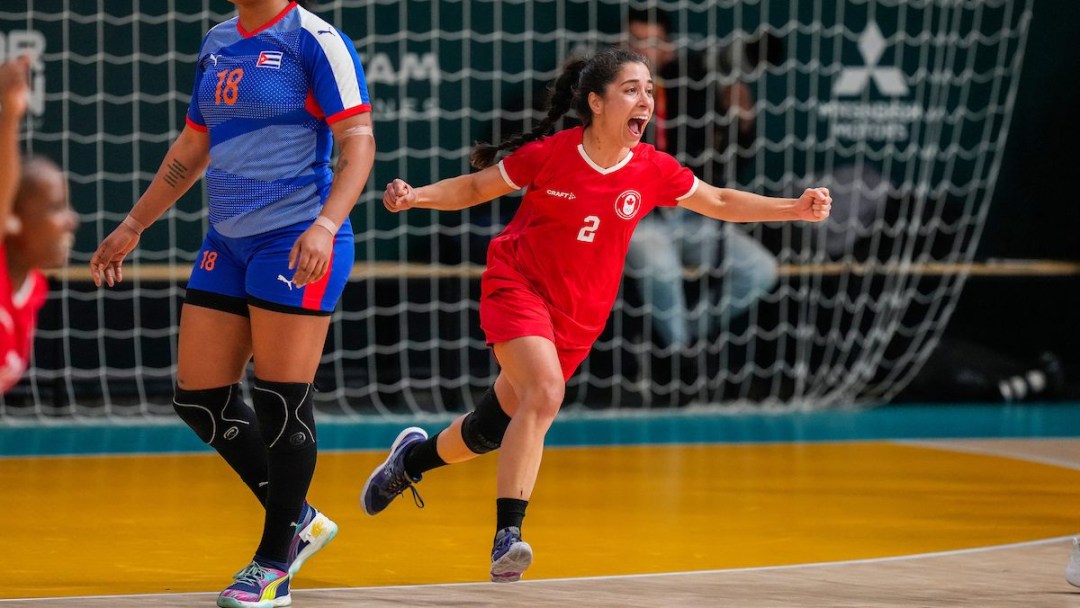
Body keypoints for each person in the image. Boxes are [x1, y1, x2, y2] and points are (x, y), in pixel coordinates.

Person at [362, 47, 830, 583]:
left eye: (650, 90)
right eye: (632, 89)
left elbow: (719, 201)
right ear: (596, 101)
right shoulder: (551, 154)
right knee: (545, 393)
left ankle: (410, 463)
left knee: (490, 429)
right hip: (518, 287)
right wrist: (415, 196)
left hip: (579, 318)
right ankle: (506, 538)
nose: (646, 101)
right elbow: (473, 187)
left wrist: (792, 207)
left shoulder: (651, 168)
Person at [88, 2, 374, 606]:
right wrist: (135, 224)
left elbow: (358, 139)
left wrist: (325, 224)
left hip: (296, 234)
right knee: (199, 397)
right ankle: (299, 520)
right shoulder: (219, 40)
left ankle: (273, 565)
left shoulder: (315, 40)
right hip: (228, 237)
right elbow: (194, 143)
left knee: (279, 398)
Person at [623, 6, 780, 352]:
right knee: (660, 267)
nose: (645, 52)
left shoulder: (693, 86)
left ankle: (682, 342)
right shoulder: (609, 91)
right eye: (637, 41)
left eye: (654, 42)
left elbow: (731, 170)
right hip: (637, 219)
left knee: (761, 270)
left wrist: (743, 124)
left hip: (690, 215)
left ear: (669, 46)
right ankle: (681, 359)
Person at [0, 56, 79, 393]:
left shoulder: (33, 287)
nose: (72, 220)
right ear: (13, 221)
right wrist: (10, 117)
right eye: (56, 207)